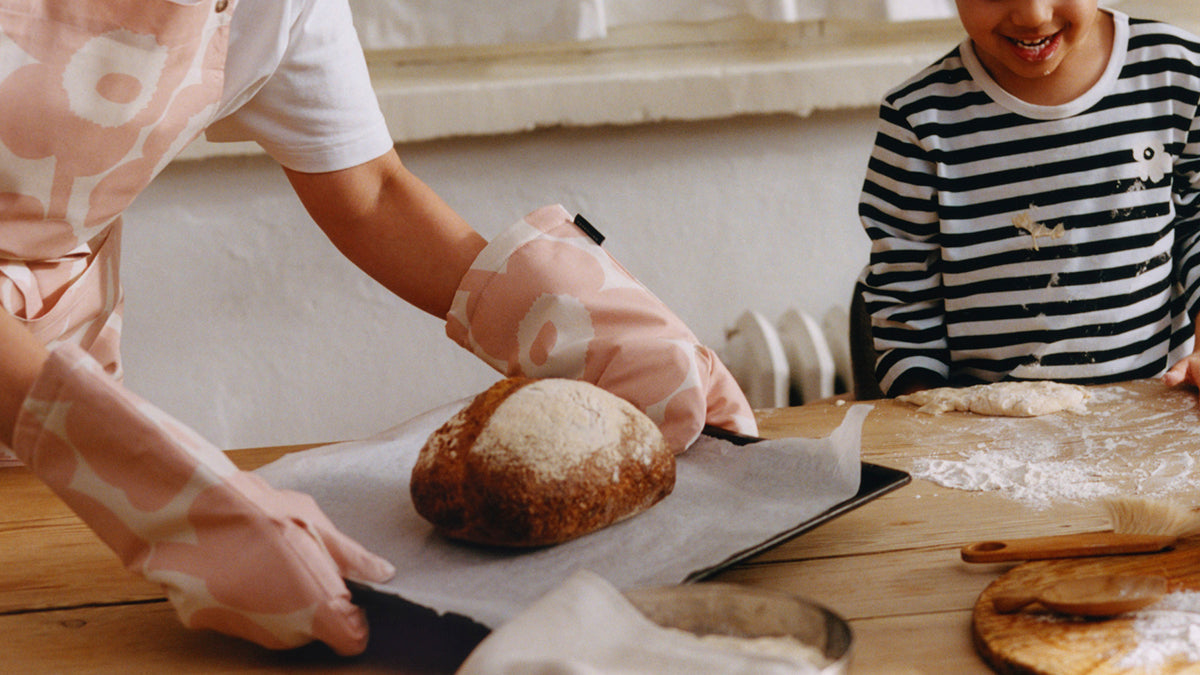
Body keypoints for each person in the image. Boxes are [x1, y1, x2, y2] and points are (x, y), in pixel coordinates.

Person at [0, 0, 755, 657]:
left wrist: (585, 320)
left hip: (56, 381)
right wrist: (141, 476)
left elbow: (370, 193)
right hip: (58, 411)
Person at [857, 0, 1200, 398]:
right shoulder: (917, 119)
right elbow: (905, 299)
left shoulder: (1178, 73)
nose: (1034, 15)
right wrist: (934, 417)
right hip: (985, 435)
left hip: (1148, 412)